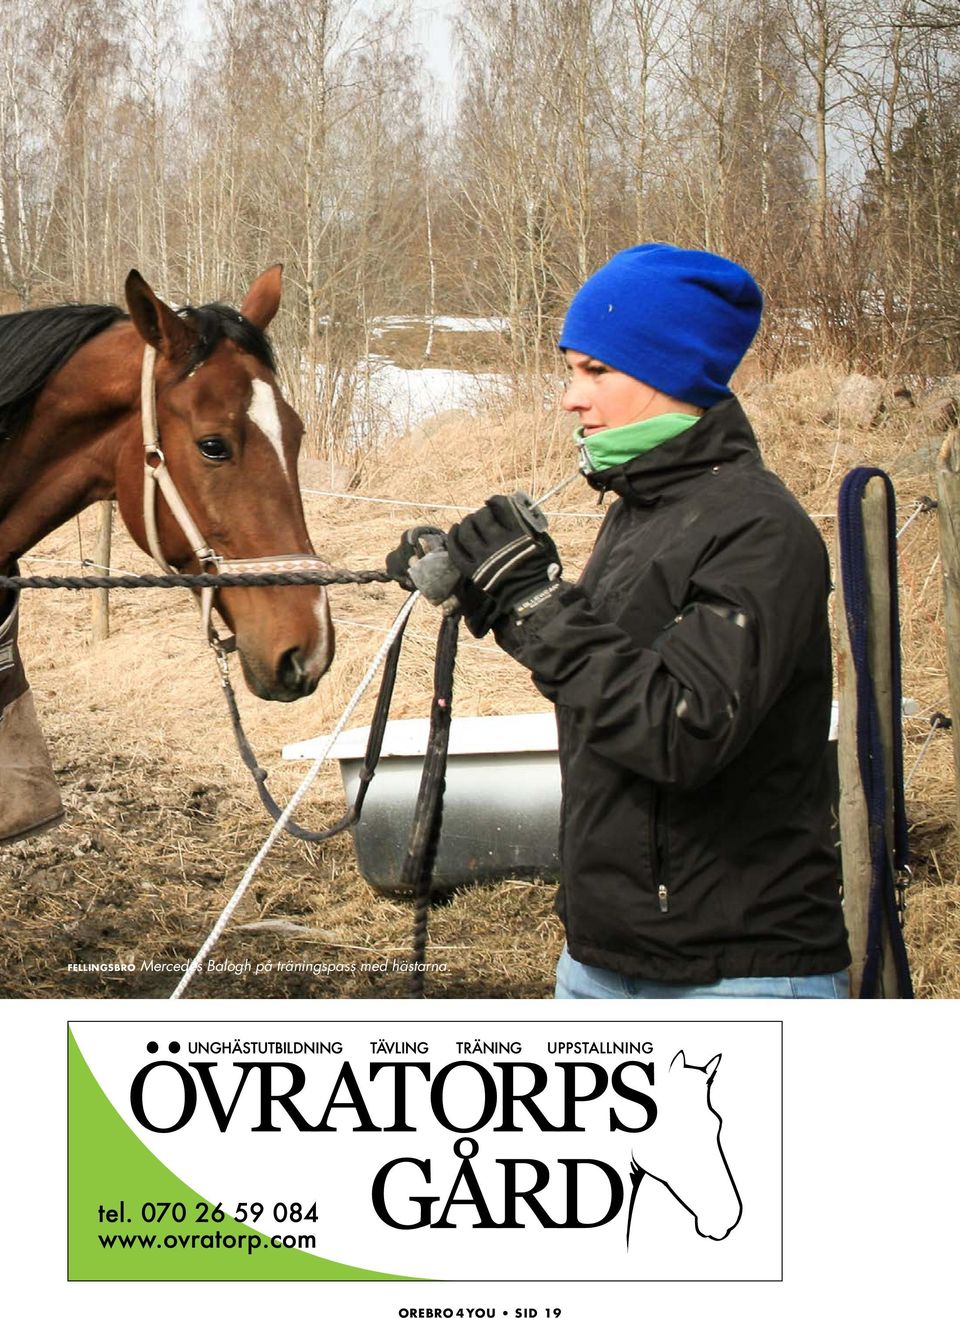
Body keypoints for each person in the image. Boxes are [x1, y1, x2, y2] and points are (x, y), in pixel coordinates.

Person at [389, 243, 850, 999]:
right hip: (605, 957)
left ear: (675, 372)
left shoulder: (761, 532)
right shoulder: (642, 513)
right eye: (571, 370)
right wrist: (492, 593)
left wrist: (536, 600)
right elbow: (608, 685)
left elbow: (678, 730)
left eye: (596, 371)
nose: (572, 397)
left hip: (739, 973)